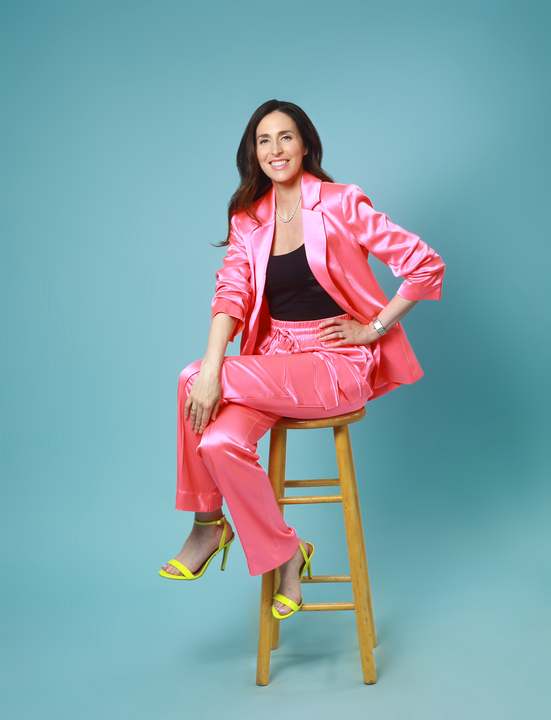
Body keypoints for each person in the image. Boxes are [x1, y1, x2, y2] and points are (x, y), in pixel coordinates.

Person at [159, 99, 445, 619]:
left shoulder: (340, 202)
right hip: (272, 361)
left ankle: (206, 524)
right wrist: (214, 362)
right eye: (264, 141)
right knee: (220, 441)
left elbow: (425, 266)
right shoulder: (249, 217)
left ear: (305, 143)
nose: (275, 150)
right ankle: (287, 553)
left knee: (191, 378)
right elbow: (232, 293)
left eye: (285, 137)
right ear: (254, 153)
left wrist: (373, 328)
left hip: (334, 364)